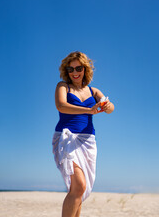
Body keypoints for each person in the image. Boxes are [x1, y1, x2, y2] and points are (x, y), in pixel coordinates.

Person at [52, 51, 114, 217]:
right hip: (66, 139)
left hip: (88, 141)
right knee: (79, 186)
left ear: (85, 69)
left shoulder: (93, 90)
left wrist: (107, 106)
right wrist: (88, 109)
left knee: (80, 189)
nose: (75, 72)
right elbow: (61, 105)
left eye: (78, 68)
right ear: (67, 72)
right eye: (71, 69)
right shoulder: (63, 86)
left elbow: (110, 106)